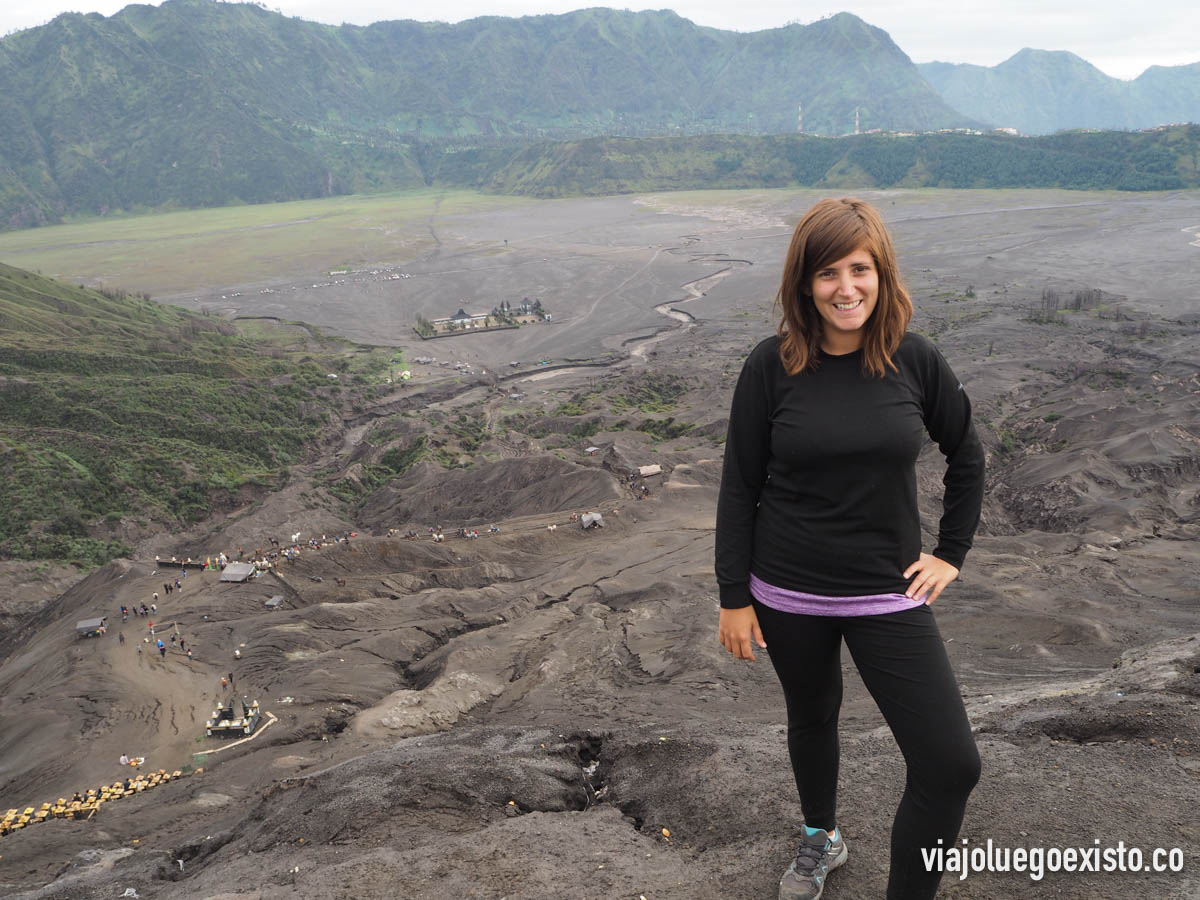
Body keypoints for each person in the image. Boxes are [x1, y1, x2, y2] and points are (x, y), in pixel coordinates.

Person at [714, 197, 985, 900]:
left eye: (859, 269)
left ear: (881, 273)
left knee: (951, 765)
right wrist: (733, 598)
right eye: (827, 272)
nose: (846, 287)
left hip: (885, 594)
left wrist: (950, 553)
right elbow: (739, 488)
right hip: (785, 592)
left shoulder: (914, 361)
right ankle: (820, 838)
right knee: (812, 714)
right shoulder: (769, 368)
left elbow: (968, 455)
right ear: (804, 284)